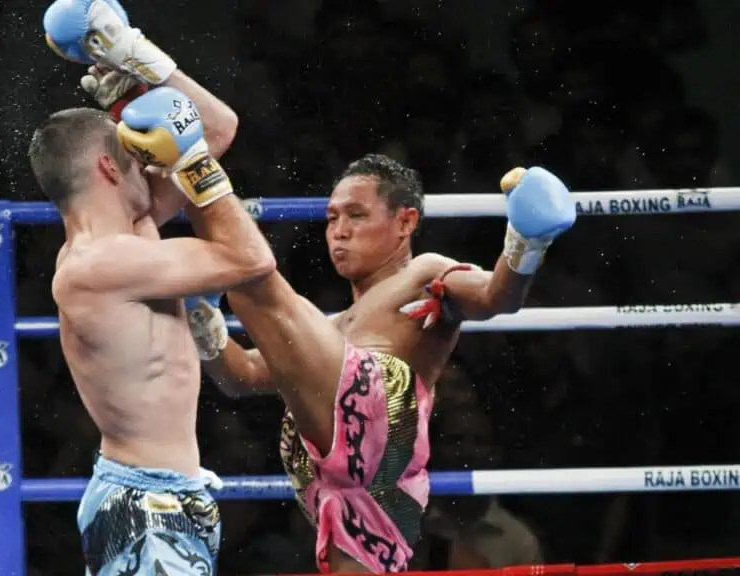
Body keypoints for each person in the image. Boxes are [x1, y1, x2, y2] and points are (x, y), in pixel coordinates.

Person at [179, 154, 575, 572]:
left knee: (249, 276)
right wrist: (202, 322)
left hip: (382, 417)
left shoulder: (424, 273)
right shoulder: (334, 330)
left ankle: (188, 160)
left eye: (356, 215)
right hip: (350, 484)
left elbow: (498, 297)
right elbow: (239, 377)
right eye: (331, 219)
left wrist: (525, 243)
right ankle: (183, 165)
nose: (340, 231)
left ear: (405, 222)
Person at [36, 1, 276, 573]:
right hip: (145, 504)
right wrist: (189, 160)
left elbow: (218, 127)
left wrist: (138, 61)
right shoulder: (96, 266)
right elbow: (252, 258)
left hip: (166, 493)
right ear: (110, 169)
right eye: (133, 153)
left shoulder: (136, 230)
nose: (150, 160)